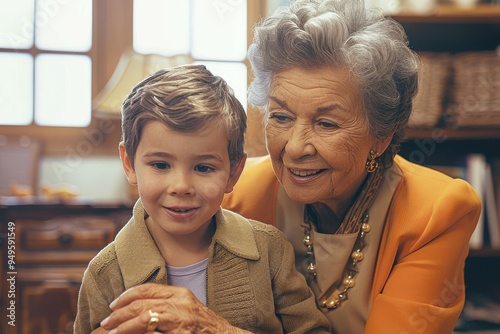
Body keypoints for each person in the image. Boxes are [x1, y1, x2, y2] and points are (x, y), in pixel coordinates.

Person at [97, 0, 482, 333]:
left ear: (381, 136)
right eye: (280, 117)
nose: (295, 148)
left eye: (326, 123)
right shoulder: (235, 191)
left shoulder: (437, 210)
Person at [74, 64, 331, 334]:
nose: (182, 186)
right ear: (129, 163)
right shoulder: (104, 274)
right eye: (161, 165)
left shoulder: (270, 251)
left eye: (203, 168)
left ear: (234, 173)